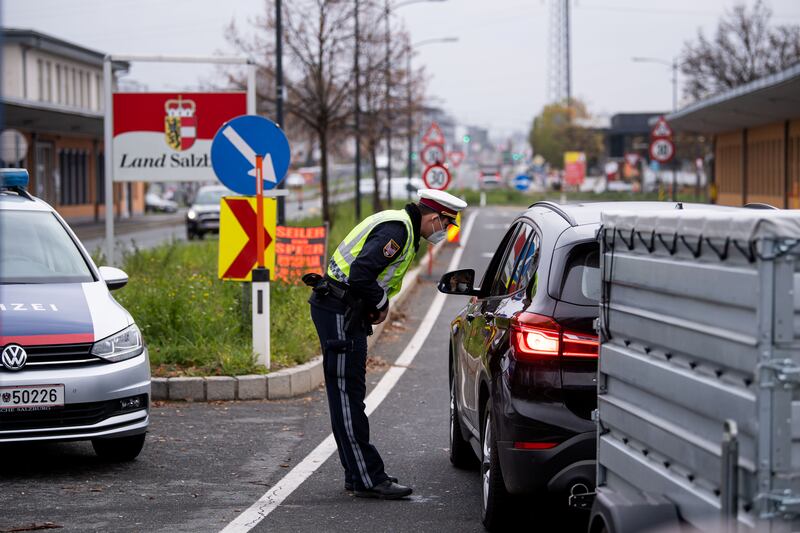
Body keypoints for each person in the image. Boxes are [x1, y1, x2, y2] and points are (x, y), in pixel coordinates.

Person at [305, 189, 467, 499]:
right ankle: (368, 478)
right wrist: (381, 304)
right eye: (446, 225)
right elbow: (362, 273)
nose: (445, 232)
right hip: (339, 310)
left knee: (348, 395)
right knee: (347, 397)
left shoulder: (400, 225)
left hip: (339, 308)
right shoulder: (398, 230)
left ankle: (357, 473)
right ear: (434, 217)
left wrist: (376, 303)